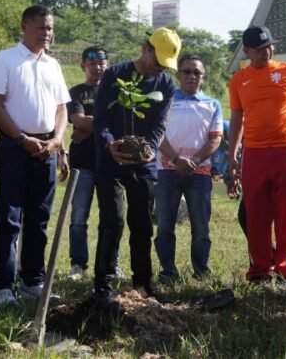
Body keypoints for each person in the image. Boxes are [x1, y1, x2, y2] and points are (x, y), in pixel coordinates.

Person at [0, 5, 70, 309]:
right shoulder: (6, 59)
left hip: (47, 149)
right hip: (14, 147)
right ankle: (4, 285)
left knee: (40, 218)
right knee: (10, 218)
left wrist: (58, 140)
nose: (46, 33)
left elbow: (62, 108)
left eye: (49, 28)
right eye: (40, 27)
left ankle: (33, 280)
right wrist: (21, 139)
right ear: (24, 27)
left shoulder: (53, 65)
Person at [91, 28, 180, 303]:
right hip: (111, 161)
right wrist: (110, 144)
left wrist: (151, 148)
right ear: (145, 49)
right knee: (113, 220)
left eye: (165, 64)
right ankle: (102, 283)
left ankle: (143, 282)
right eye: (157, 60)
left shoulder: (165, 85)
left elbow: (159, 125)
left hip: (144, 165)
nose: (159, 68)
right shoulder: (114, 75)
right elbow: (100, 120)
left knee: (142, 223)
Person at [227, 26, 286, 282]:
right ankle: (260, 269)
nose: (267, 52)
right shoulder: (239, 80)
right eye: (260, 50)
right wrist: (232, 156)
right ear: (247, 51)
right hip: (254, 153)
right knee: (256, 214)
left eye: (270, 47)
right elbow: (237, 119)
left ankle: (284, 267)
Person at [154, 54, 222, 281]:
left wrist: (193, 161)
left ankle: (201, 272)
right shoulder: (165, 102)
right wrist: (176, 160)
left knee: (201, 228)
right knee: (164, 226)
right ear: (178, 74)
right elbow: (157, 135)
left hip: (199, 174)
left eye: (197, 72)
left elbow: (215, 139)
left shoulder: (213, 104)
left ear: (203, 77)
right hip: (167, 171)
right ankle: (168, 272)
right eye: (186, 71)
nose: (191, 76)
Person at [67, 46, 109, 280]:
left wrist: (91, 130)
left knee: (110, 217)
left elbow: (120, 123)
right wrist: (102, 126)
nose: (97, 67)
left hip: (109, 164)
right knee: (78, 218)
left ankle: (109, 263)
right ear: (84, 65)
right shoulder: (76, 92)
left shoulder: (116, 93)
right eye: (91, 64)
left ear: (107, 65)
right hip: (82, 164)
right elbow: (78, 121)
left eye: (101, 63)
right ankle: (78, 264)